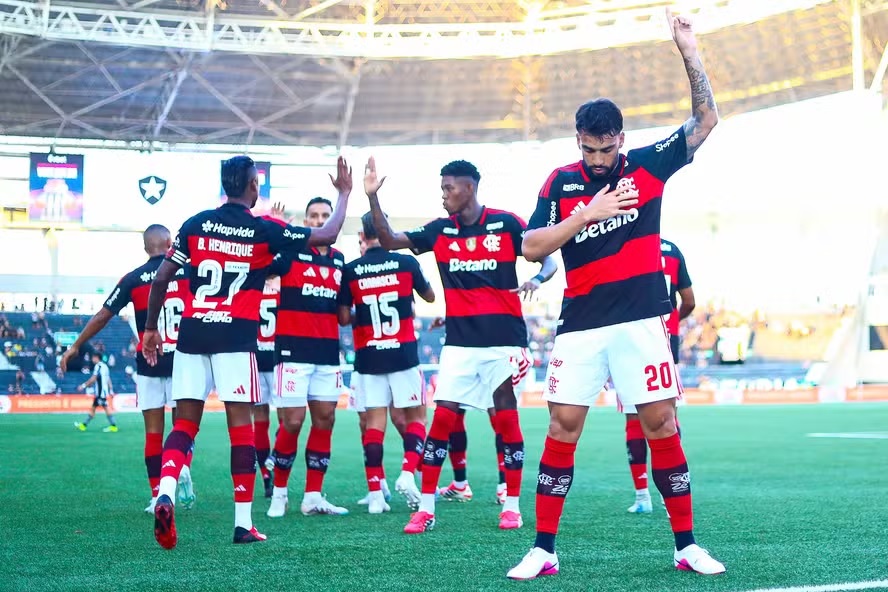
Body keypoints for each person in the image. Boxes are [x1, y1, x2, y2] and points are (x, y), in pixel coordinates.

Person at [506, 7, 724, 579]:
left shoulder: (649, 166)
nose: (596, 160)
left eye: (604, 150)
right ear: (577, 142)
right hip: (580, 326)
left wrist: (688, 51)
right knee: (562, 429)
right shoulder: (561, 182)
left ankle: (686, 545)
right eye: (588, 150)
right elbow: (530, 246)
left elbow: (706, 121)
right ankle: (543, 548)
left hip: (641, 323)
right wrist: (588, 214)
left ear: (620, 140)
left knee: (662, 426)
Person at [142, 154, 352, 549]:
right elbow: (329, 235)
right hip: (236, 340)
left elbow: (162, 276)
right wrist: (344, 194)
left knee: (184, 426)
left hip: (191, 336)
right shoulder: (262, 229)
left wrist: (151, 329)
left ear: (225, 185)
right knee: (241, 429)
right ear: (254, 186)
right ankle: (243, 524)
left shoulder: (194, 224)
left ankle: (165, 491)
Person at [364, 156, 557, 534]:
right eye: (442, 189)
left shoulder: (506, 223)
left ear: (469, 188)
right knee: (443, 422)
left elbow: (547, 256)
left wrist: (538, 278)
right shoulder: (439, 230)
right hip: (460, 346)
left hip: (504, 343)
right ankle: (427, 508)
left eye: (448, 188)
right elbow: (389, 240)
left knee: (506, 421)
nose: (444, 195)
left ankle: (513, 506)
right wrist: (373, 197)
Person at [61, 224, 194, 512]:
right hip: (183, 359)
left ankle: (157, 494)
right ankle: (181, 467)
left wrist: (75, 345)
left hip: (149, 361)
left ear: (145, 248)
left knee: (153, 432)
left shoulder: (133, 278)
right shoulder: (188, 269)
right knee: (183, 427)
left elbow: (102, 315)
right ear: (171, 243)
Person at [338, 210, 436, 514]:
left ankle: (376, 495)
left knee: (373, 425)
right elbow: (430, 297)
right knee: (416, 419)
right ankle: (408, 473)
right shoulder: (407, 263)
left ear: (364, 237)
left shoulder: (351, 270)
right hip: (403, 353)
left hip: (369, 356)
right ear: (386, 231)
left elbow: (342, 317)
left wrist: (364, 312)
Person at [266, 197, 349, 518]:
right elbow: (262, 268)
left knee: (325, 420)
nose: (319, 220)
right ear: (306, 220)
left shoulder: (341, 261)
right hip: (291, 351)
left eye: (325, 216)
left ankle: (313, 496)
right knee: (292, 422)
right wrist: (275, 227)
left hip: (328, 353)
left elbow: (344, 312)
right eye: (313, 216)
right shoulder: (291, 254)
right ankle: (280, 495)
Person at [624, 237, 695, 514]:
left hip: (630, 341)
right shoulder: (672, 250)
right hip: (665, 341)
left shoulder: (623, 244)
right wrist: (673, 320)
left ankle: (642, 497)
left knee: (634, 419)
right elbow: (689, 301)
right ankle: (671, 496)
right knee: (667, 418)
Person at [255, 275, 280, 499]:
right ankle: (274, 458)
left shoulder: (250, 285)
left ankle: (265, 475)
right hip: (278, 359)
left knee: (260, 422)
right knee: (289, 420)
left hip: (254, 359)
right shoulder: (283, 289)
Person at [72, 352, 117, 433]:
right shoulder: (105, 367)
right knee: (93, 408)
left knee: (105, 408)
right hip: (101, 392)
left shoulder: (98, 366)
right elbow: (108, 379)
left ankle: (113, 426)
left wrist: (83, 386)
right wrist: (111, 390)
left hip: (100, 393)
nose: (92, 359)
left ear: (96, 357)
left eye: (93, 358)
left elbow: (93, 378)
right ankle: (84, 425)